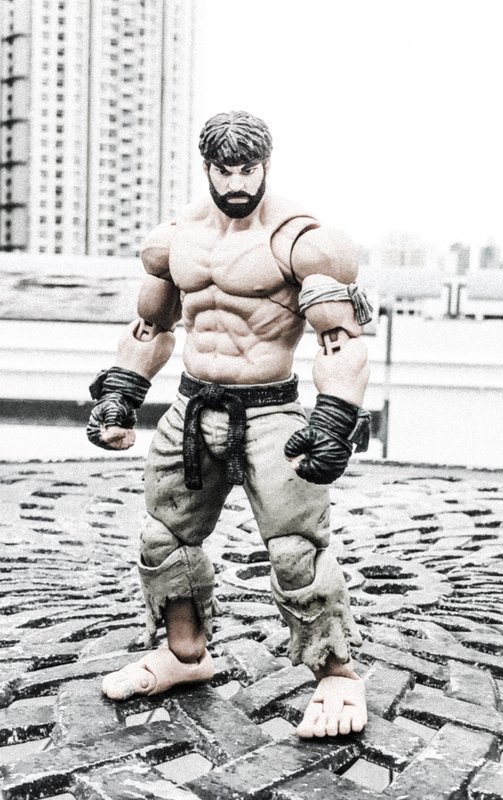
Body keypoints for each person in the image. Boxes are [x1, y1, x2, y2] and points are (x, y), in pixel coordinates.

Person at [87, 110, 372, 738]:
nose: (237, 182)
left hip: (270, 411)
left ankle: (336, 676)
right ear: (207, 168)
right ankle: (185, 656)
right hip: (192, 407)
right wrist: (121, 393)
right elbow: (151, 327)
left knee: (296, 551)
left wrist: (334, 417)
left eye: (248, 169)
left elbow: (340, 340)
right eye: (225, 170)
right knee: (163, 539)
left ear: (266, 165)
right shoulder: (176, 240)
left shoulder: (302, 240)